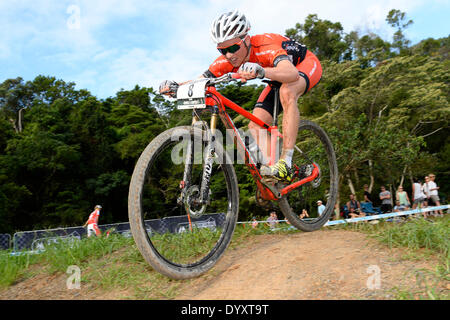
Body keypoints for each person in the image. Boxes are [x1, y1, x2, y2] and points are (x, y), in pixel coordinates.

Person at [159, 9, 322, 183]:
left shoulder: (264, 46)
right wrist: (176, 87)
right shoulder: (226, 61)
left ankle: (286, 163)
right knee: (255, 125)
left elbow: (291, 74)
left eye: (233, 47)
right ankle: (275, 173)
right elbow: (200, 81)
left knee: (287, 91)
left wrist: (261, 70)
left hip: (302, 66)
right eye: (223, 50)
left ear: (246, 39)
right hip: (274, 74)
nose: (229, 55)